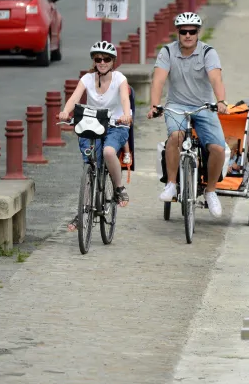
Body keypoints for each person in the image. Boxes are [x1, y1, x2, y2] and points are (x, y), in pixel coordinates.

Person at [147, 12, 228, 218]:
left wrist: (220, 101)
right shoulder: (167, 51)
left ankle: (210, 191)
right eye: (184, 31)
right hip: (176, 106)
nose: (188, 35)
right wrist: (154, 105)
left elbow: (215, 78)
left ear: (198, 32)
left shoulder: (208, 52)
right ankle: (172, 184)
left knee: (218, 148)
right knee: (176, 137)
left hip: (204, 107)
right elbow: (158, 80)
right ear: (178, 33)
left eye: (192, 31)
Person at [59, 41, 132, 231]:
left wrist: (126, 114)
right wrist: (65, 112)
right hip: (92, 125)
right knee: (90, 165)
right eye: (98, 59)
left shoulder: (119, 79)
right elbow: (75, 98)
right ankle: (83, 209)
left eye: (106, 59)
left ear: (112, 61)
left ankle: (118, 188)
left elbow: (124, 97)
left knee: (108, 152)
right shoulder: (87, 79)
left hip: (116, 125)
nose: (102, 62)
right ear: (94, 61)